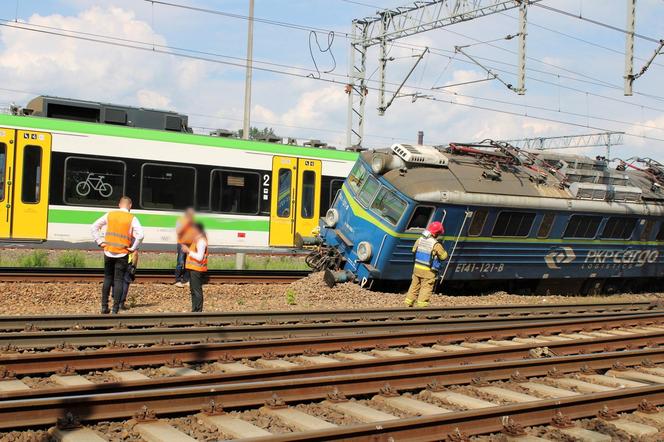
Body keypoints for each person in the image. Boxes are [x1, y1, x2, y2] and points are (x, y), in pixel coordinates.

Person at [91, 196, 144, 314]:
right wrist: (133, 248)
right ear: (130, 205)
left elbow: (93, 227)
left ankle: (104, 307)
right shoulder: (132, 218)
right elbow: (140, 235)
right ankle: (115, 309)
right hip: (122, 253)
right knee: (119, 280)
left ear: (119, 204)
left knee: (107, 278)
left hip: (108, 251)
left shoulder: (110, 214)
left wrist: (99, 241)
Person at [404, 221, 448, 308]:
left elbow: (413, 250)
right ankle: (421, 308)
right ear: (436, 233)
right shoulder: (436, 244)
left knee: (414, 287)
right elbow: (443, 257)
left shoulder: (419, 240)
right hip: (428, 271)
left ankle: (407, 305)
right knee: (426, 288)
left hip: (417, 269)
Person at [182, 223, 208, 312]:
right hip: (193, 269)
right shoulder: (196, 240)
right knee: (193, 290)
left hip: (197, 269)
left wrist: (188, 251)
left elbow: (199, 257)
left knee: (196, 290)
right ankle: (194, 310)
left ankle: (198, 311)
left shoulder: (201, 241)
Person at [175, 208, 196, 288]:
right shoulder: (181, 220)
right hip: (182, 244)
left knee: (188, 262)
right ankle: (178, 280)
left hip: (190, 244)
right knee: (180, 262)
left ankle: (186, 280)